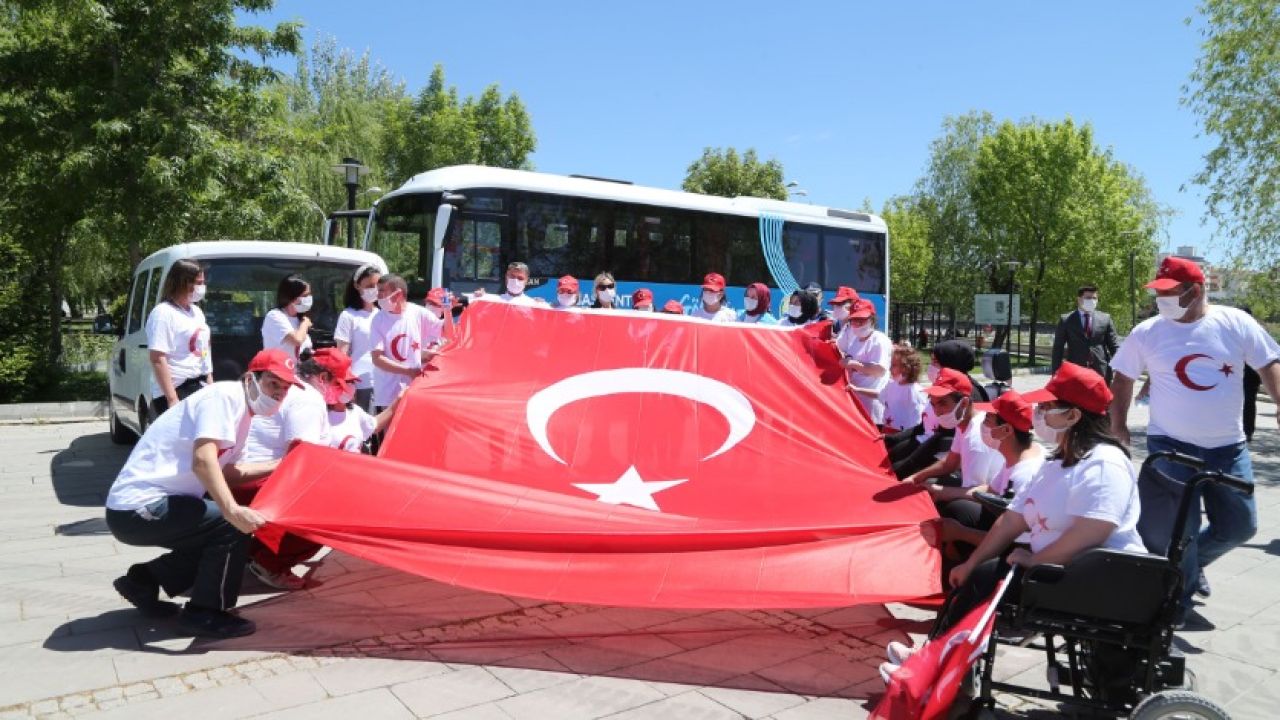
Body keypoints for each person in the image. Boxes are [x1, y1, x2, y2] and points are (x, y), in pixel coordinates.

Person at [882, 362, 1144, 679]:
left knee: (984, 579)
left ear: (1073, 416)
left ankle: (936, 665)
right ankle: (935, 658)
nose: (1038, 414)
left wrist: (1035, 560)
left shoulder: (1104, 463)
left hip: (1091, 576)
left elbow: (1093, 530)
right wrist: (971, 563)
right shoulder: (1056, 462)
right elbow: (1011, 520)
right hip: (1055, 569)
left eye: (1046, 407)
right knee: (975, 574)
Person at [1109, 256, 1280, 624]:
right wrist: (1118, 424)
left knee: (1240, 526)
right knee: (1178, 530)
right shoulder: (1147, 332)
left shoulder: (1234, 322)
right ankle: (1176, 603)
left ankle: (1190, 565)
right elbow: (1122, 377)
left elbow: (1268, 362)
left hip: (1228, 447)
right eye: (1158, 293)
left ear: (1196, 290)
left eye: (1169, 292)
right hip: (1170, 446)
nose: (1161, 300)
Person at [105, 349, 301, 638]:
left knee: (216, 532)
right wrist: (232, 511)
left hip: (158, 505)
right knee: (229, 526)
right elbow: (203, 460)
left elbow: (229, 472)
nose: (279, 394)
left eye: (285, 389)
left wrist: (281, 465)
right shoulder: (223, 397)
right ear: (251, 379)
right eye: (273, 384)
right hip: (137, 507)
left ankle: (143, 581)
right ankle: (205, 613)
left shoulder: (243, 415)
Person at [233, 351, 338, 590]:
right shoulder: (308, 399)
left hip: (234, 476)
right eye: (342, 383)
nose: (281, 391)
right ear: (323, 378)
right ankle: (270, 563)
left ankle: (253, 553)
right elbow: (301, 456)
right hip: (253, 478)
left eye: (285, 385)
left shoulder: (240, 392)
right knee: (329, 511)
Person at [930, 390, 1045, 558]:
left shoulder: (1024, 474)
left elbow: (1017, 544)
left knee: (956, 512)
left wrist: (961, 533)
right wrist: (942, 492)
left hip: (1019, 550)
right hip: (1006, 522)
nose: (981, 426)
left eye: (987, 420)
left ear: (1006, 430)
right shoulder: (1018, 454)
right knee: (957, 506)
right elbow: (990, 490)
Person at [886, 341, 990, 479]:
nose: (931, 366)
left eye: (935, 362)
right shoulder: (941, 388)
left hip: (946, 457)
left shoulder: (967, 396)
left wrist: (910, 467)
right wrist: (892, 439)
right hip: (934, 448)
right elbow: (926, 424)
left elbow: (943, 442)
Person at [904, 368, 1005, 496]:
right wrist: (917, 477)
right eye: (933, 405)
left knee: (933, 496)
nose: (937, 412)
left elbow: (976, 494)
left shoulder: (976, 437)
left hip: (990, 497)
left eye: (942, 404)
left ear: (963, 403)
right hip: (977, 489)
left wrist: (938, 492)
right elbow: (950, 463)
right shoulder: (963, 422)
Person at [146, 259, 212, 417]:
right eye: (199, 283)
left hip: (198, 385)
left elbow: (203, 351)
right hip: (177, 390)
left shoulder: (196, 312)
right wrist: (172, 399)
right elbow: (157, 358)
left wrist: (210, 384)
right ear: (183, 283)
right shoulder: (163, 313)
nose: (202, 287)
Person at [370, 274, 443, 413]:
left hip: (414, 389)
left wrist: (448, 310)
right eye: (378, 291)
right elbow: (377, 359)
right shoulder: (378, 320)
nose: (378, 296)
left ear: (398, 294)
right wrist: (408, 371)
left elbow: (446, 331)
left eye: (382, 291)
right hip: (388, 392)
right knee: (391, 427)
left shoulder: (418, 313)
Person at [321, 348, 399, 454]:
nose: (348, 387)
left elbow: (374, 425)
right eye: (341, 383)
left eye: (351, 382)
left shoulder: (354, 411)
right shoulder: (319, 415)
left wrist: (398, 401)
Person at [832, 292, 893, 425]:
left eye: (862, 320)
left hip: (874, 407)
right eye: (854, 320)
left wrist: (853, 364)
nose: (857, 324)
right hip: (858, 401)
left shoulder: (879, 340)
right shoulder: (856, 341)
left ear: (872, 319)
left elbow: (879, 371)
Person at [334, 264, 381, 411]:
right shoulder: (348, 315)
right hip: (361, 384)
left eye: (377, 285)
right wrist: (347, 385)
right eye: (370, 286)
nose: (374, 289)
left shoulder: (382, 314)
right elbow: (342, 354)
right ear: (357, 286)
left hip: (383, 382)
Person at [1052, 284, 1120, 382]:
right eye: (1088, 298)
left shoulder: (1105, 319)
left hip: (1101, 371)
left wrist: (1121, 369)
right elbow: (1058, 348)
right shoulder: (1066, 320)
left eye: (1094, 298)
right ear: (1079, 299)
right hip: (1075, 372)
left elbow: (1114, 346)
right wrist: (1055, 374)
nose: (1092, 301)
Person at [262, 274, 313, 358]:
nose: (309, 298)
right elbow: (297, 340)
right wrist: (305, 323)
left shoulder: (299, 318)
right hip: (279, 366)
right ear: (292, 297)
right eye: (305, 295)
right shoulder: (274, 316)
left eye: (309, 295)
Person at [881, 344, 927, 433]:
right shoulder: (891, 385)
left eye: (894, 365)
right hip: (888, 430)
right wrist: (858, 390)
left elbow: (917, 420)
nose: (890, 368)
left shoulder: (915, 391)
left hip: (903, 434)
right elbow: (880, 396)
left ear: (907, 368)